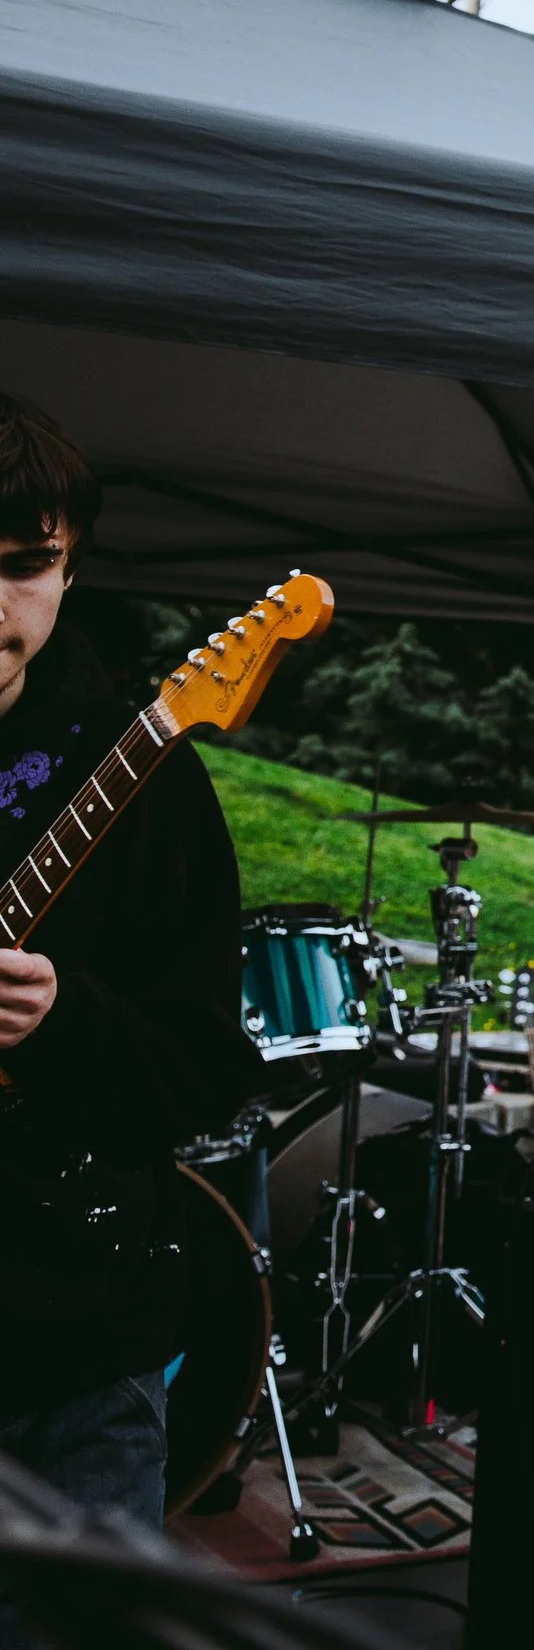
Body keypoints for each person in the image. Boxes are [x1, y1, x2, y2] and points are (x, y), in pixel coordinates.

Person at [0, 396, 259, 1574]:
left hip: (75, 1352)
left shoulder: (140, 774)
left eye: (24, 568)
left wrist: (61, 1018)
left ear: (70, 565)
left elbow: (206, 1070)